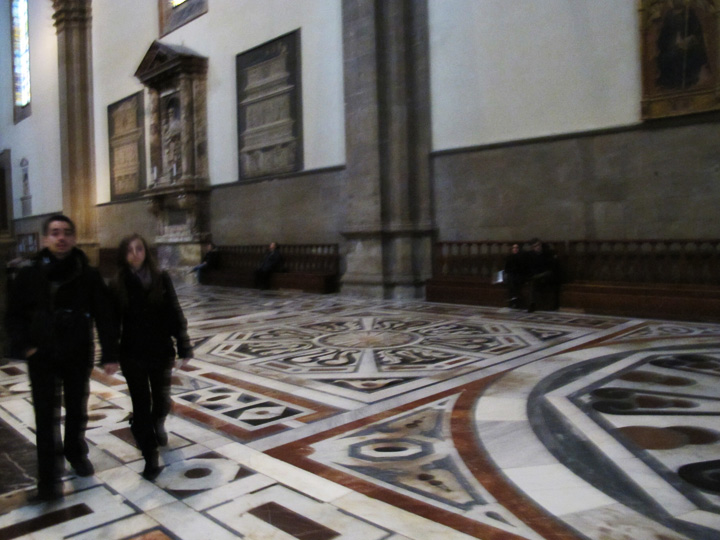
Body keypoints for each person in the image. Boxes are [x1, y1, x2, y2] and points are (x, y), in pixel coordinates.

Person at [5, 215, 119, 501]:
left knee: (77, 409)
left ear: (74, 238)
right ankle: (48, 479)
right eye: (55, 233)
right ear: (46, 238)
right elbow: (13, 315)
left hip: (77, 352)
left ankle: (75, 452)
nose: (61, 238)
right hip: (42, 354)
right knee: (45, 417)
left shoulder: (88, 274)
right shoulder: (29, 274)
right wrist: (26, 347)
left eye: (67, 233)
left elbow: (105, 315)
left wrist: (109, 353)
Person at [109, 234, 193, 481]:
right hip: (132, 352)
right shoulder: (117, 283)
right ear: (124, 255)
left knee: (161, 401)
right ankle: (150, 456)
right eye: (130, 250)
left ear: (146, 252)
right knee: (141, 404)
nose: (135, 254)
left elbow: (174, 311)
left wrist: (184, 345)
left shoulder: (161, 278)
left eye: (139, 249)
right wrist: (110, 354)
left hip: (160, 349)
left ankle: (157, 424)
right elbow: (111, 322)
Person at [524, 238, 560, 313]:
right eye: (535, 246)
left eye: (538, 245)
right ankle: (532, 303)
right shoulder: (530, 255)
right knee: (532, 281)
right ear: (532, 247)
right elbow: (530, 267)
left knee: (536, 279)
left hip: (547, 275)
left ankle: (554, 305)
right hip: (537, 276)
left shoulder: (547, 253)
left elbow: (551, 266)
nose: (538, 247)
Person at [504, 243, 525, 309]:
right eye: (514, 248)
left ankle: (516, 302)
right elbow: (506, 268)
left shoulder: (521, 257)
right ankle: (513, 301)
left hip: (519, 275)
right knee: (511, 281)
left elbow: (522, 268)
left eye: (516, 248)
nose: (515, 249)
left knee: (515, 283)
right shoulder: (509, 257)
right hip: (511, 275)